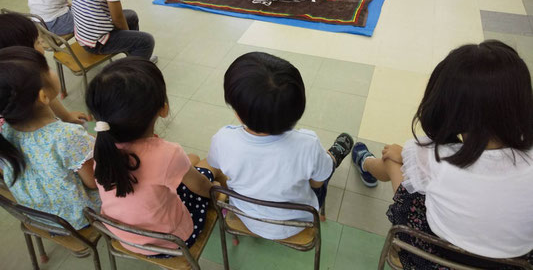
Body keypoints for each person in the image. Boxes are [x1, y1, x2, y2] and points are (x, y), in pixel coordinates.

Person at [352, 40, 533, 269]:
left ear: (448, 105)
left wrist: (405, 155)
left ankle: (366, 163)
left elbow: (416, 166)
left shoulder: (430, 155)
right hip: (515, 265)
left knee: (391, 159)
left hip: (432, 260)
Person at [207, 52, 353, 240]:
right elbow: (316, 183)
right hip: (298, 223)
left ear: (238, 114)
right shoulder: (307, 143)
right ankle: (333, 156)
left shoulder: (223, 139)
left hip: (247, 217)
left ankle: (330, 158)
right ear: (297, 110)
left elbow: (220, 169)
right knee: (323, 171)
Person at [86, 57, 219, 255]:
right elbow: (201, 188)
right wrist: (215, 191)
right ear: (163, 109)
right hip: (171, 242)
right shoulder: (168, 153)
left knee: (189, 160)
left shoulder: (100, 143)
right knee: (208, 171)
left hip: (121, 234)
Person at [0, 47, 100, 229]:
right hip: (75, 219)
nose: (52, 71)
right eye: (48, 68)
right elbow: (94, 182)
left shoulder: (5, 130)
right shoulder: (67, 136)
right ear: (43, 96)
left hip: (37, 216)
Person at [0, 13, 89, 125]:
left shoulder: (12, 76)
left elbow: (48, 94)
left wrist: (66, 116)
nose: (42, 46)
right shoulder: (31, 77)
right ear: (24, 52)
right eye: (38, 42)